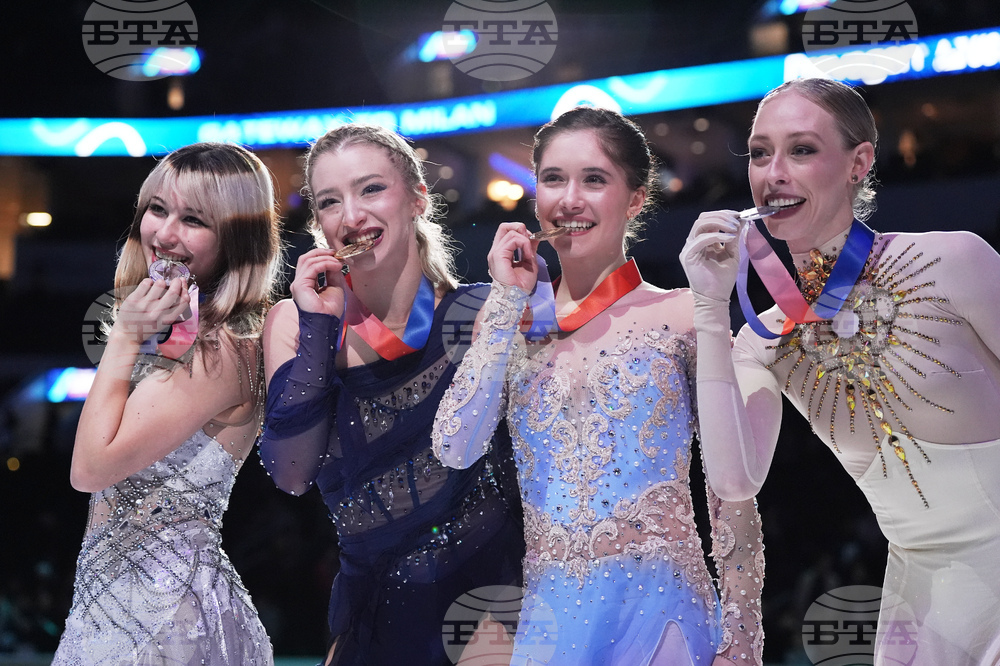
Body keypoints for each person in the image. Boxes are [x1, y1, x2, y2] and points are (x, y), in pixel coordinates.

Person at [681, 77, 1000, 664]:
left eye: (801, 150)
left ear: (859, 163)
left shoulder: (957, 259)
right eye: (759, 153)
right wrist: (706, 304)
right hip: (925, 607)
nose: (773, 172)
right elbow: (733, 482)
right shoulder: (761, 341)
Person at [433, 106, 765, 666]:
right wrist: (505, 298)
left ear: (635, 198)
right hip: (552, 617)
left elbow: (730, 489)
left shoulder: (684, 312)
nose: (570, 200)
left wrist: (742, 636)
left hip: (663, 612)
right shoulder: (512, 326)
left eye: (594, 179)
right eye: (554, 179)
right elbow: (454, 447)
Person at [258, 123, 525, 665]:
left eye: (371, 189)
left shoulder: (479, 313)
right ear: (318, 223)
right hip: (371, 615)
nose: (352, 215)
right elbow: (289, 472)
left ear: (417, 199)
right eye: (331, 201)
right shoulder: (296, 321)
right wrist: (318, 330)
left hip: (488, 613)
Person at [53, 142, 280, 664]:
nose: (164, 233)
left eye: (193, 218)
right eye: (157, 209)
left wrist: (122, 338)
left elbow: (90, 468)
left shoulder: (219, 350)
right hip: (123, 607)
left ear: (237, 238)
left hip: (168, 623)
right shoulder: (185, 340)